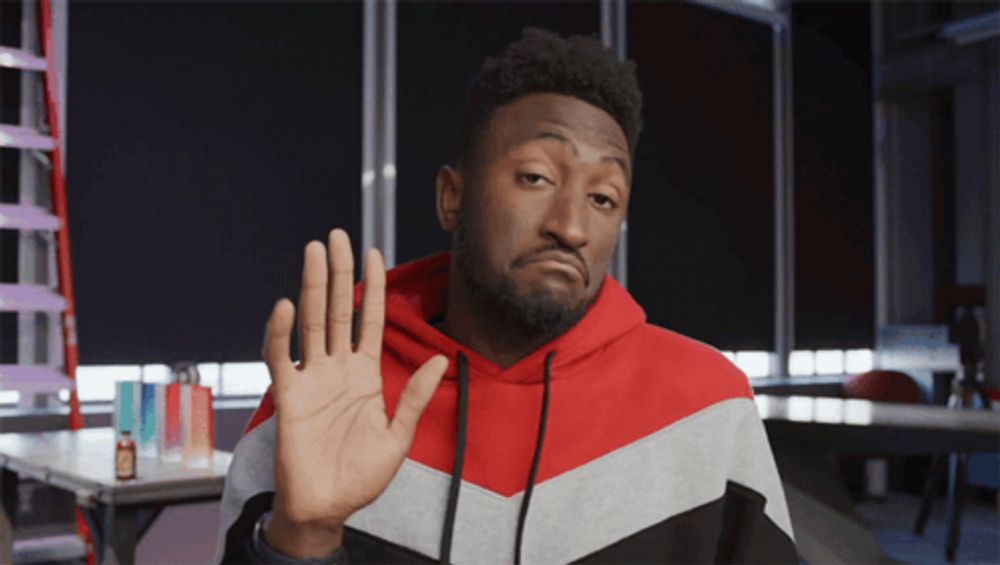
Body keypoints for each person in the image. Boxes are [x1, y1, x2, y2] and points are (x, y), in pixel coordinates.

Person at [215, 28, 797, 564]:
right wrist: (305, 534)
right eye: (536, 178)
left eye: (603, 198)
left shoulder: (706, 406)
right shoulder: (322, 402)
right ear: (452, 197)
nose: (571, 227)